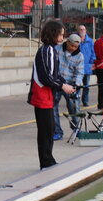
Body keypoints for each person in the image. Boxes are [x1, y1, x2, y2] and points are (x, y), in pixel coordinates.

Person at [29, 20, 76, 169]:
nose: (62, 38)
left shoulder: (52, 50)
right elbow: (46, 77)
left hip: (47, 96)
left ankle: (49, 160)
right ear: (53, 34)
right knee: (45, 131)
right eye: (61, 34)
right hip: (42, 96)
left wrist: (66, 84)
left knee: (49, 129)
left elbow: (55, 74)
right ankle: (46, 162)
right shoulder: (47, 50)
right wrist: (63, 86)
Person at [55, 33, 84, 139]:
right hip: (57, 83)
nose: (73, 48)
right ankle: (57, 131)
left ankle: (76, 128)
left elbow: (80, 73)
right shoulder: (57, 49)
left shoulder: (80, 56)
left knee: (74, 109)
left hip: (71, 85)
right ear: (67, 42)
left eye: (76, 46)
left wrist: (76, 84)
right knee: (53, 107)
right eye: (72, 45)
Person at [76, 24, 94, 107]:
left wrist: (91, 62)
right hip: (77, 67)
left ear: (86, 31)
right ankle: (76, 100)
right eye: (81, 29)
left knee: (86, 86)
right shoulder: (75, 40)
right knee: (77, 85)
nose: (82, 31)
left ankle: (85, 101)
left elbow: (93, 53)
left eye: (84, 29)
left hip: (87, 67)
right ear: (78, 31)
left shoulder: (90, 41)